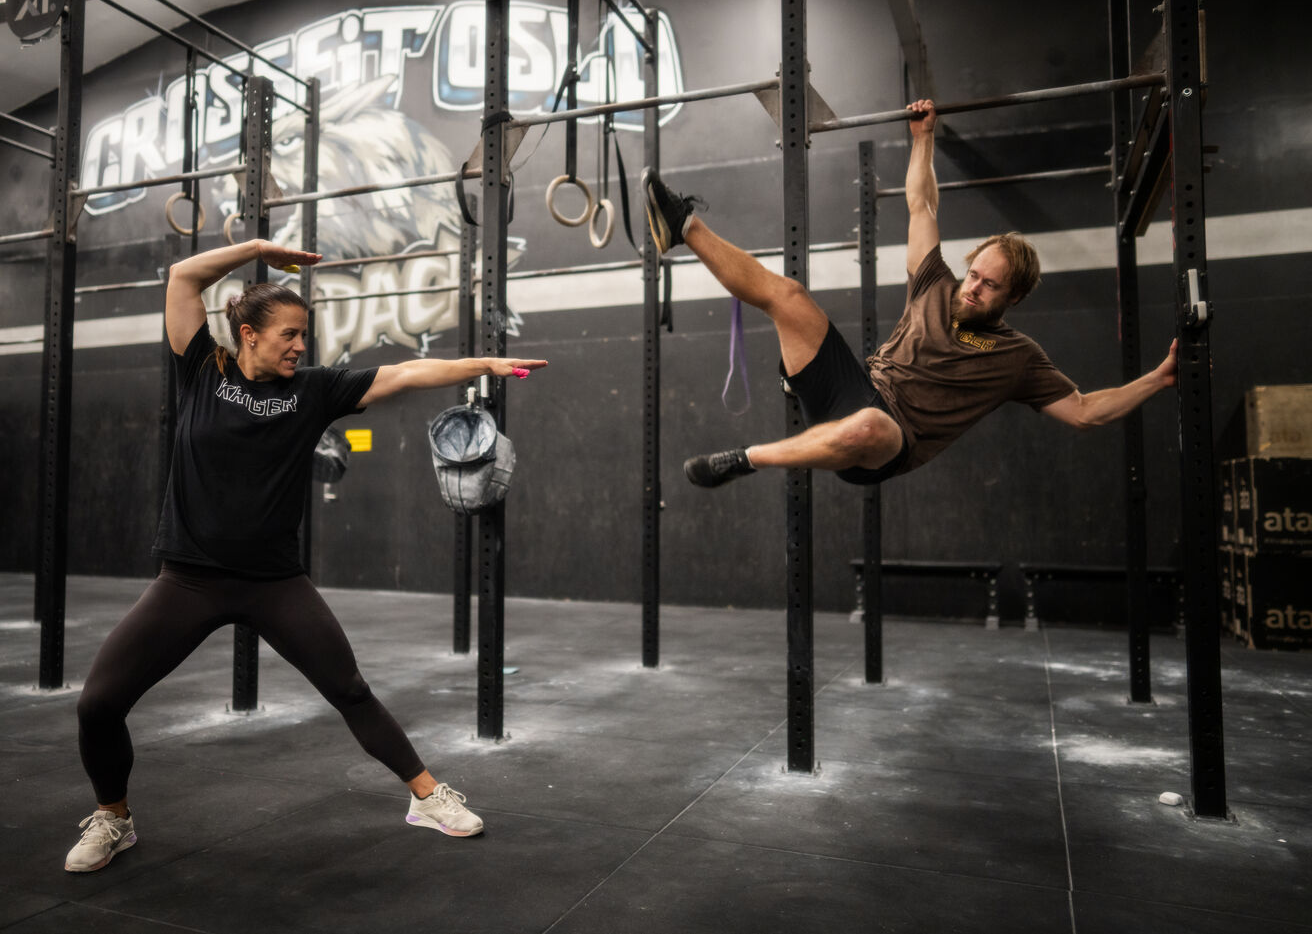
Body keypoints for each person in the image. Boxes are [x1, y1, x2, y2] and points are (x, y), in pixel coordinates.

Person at [65, 239, 546, 873]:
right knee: (98, 703)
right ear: (248, 335)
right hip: (189, 580)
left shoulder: (314, 391)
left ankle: (427, 797)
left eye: (303, 336)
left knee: (349, 688)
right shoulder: (200, 370)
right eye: (289, 334)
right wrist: (259, 249)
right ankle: (113, 818)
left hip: (273, 582)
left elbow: (402, 374)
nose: (299, 345)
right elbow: (183, 277)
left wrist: (484, 363)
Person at [644, 98, 1178, 488]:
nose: (974, 289)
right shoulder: (935, 284)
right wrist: (924, 139)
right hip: (852, 387)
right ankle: (683, 224)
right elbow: (921, 207)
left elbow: (1085, 411)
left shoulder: (1019, 359)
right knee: (789, 295)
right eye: (975, 275)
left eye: (991, 286)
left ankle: (743, 460)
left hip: (888, 442)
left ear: (1013, 298)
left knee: (869, 426)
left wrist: (1158, 378)